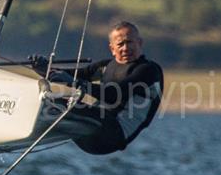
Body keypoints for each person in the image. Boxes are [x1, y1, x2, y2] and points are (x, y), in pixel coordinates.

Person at [32, 21, 163, 155]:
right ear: (112, 48)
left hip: (112, 135)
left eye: (129, 42)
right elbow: (74, 75)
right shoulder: (106, 66)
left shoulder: (148, 70)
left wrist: (75, 83)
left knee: (56, 105)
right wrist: (45, 69)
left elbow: (114, 94)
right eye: (120, 44)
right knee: (52, 103)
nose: (125, 48)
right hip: (93, 127)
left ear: (139, 43)